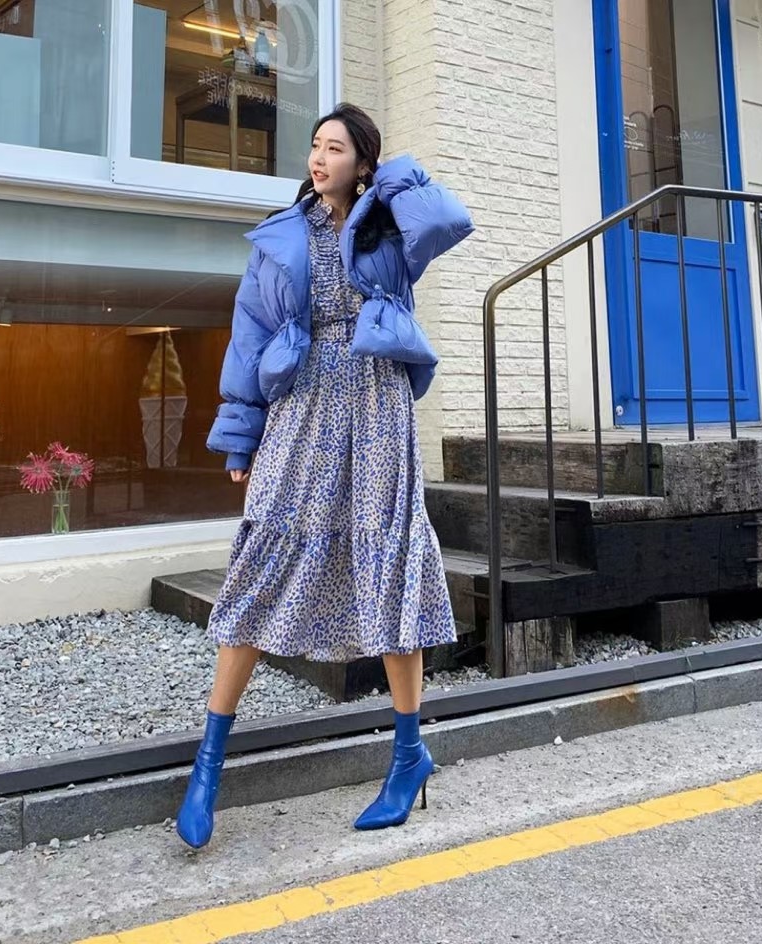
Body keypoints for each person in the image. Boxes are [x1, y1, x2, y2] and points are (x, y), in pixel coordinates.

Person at [176, 103, 474, 849]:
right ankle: (206, 765)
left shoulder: (388, 226)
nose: (318, 158)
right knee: (261, 564)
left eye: (335, 148)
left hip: (376, 402)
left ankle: (408, 755)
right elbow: (249, 335)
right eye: (314, 146)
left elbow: (449, 219)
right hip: (301, 403)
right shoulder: (281, 236)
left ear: (362, 162)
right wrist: (240, 437)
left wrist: (389, 178)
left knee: (387, 562)